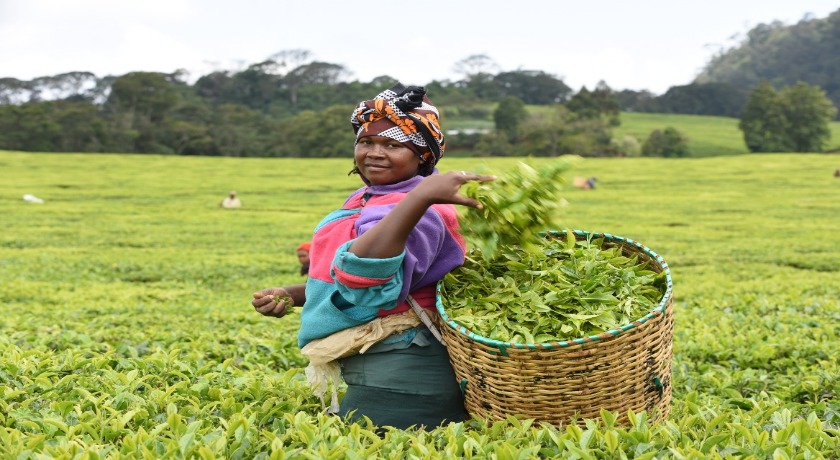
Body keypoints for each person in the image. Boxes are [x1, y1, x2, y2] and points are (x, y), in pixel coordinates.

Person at [251, 83, 494, 430]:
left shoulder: (424, 210)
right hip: (379, 361)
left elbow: (369, 282)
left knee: (372, 444)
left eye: (393, 145)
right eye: (366, 142)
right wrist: (293, 294)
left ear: (423, 156)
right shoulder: (372, 195)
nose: (375, 153)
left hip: (403, 367)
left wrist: (421, 198)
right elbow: (343, 272)